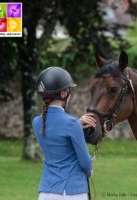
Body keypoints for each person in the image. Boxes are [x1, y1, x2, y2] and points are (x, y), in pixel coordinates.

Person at [32, 66, 96, 200]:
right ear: (63, 94)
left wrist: (77, 125)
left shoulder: (36, 122)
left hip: (46, 191)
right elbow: (85, 163)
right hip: (73, 192)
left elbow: (55, 134)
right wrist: (90, 171)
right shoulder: (71, 124)